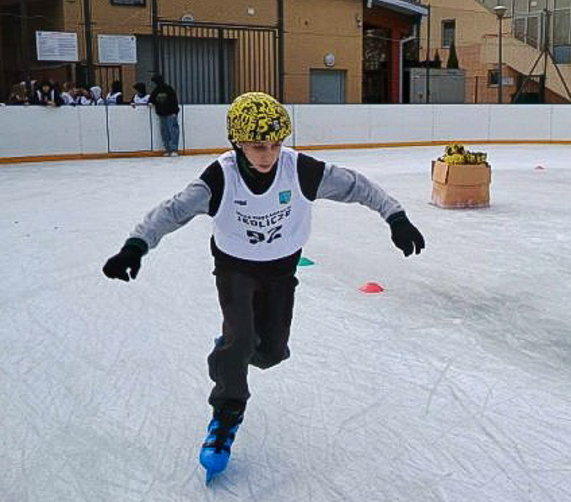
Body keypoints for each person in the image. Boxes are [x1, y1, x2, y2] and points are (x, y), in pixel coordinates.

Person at [101, 92, 425, 481]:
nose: (268, 154)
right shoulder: (219, 178)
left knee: (270, 352)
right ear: (236, 142)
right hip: (235, 268)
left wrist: (395, 216)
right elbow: (171, 213)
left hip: (281, 271)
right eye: (258, 146)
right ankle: (225, 418)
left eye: (276, 144)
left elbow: (357, 185)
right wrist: (135, 247)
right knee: (240, 338)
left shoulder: (300, 170)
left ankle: (226, 356)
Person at [149, 74, 180, 156]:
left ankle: (174, 149)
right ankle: (168, 149)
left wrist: (175, 112)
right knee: (164, 132)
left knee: (173, 131)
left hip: (171, 113)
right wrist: (150, 102)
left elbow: (174, 101)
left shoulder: (169, 89)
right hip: (162, 114)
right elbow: (152, 99)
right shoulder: (156, 90)